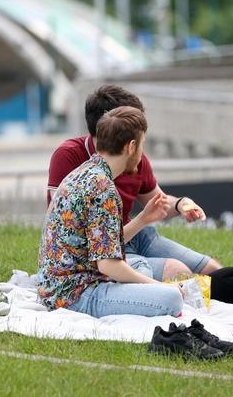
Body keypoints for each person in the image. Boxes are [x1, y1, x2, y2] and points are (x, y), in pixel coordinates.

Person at [47, 85, 222, 281]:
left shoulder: (135, 157)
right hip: (98, 252)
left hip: (137, 235)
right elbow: (65, 226)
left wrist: (181, 204)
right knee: (178, 272)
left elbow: (158, 201)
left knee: (214, 270)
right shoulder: (74, 160)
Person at [37, 106, 183, 318]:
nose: (142, 154)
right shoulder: (103, 189)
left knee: (139, 263)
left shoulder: (86, 172)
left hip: (54, 286)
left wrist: (143, 218)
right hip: (75, 295)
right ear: (131, 146)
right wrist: (159, 287)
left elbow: (103, 245)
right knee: (171, 299)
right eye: (142, 145)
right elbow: (108, 265)